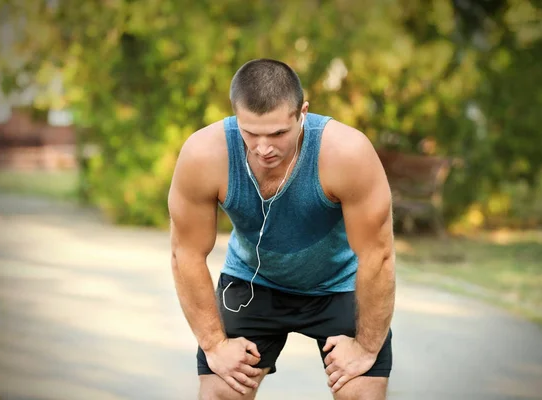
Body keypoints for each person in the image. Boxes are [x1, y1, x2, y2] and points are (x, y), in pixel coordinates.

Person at [168, 58, 396, 400]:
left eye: (277, 133)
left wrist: (365, 349)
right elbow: (185, 253)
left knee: (361, 392)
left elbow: (377, 254)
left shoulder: (346, 153)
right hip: (252, 282)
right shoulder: (205, 155)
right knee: (220, 392)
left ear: (302, 112)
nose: (264, 148)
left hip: (338, 284)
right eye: (251, 133)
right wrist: (214, 345)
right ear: (235, 116)